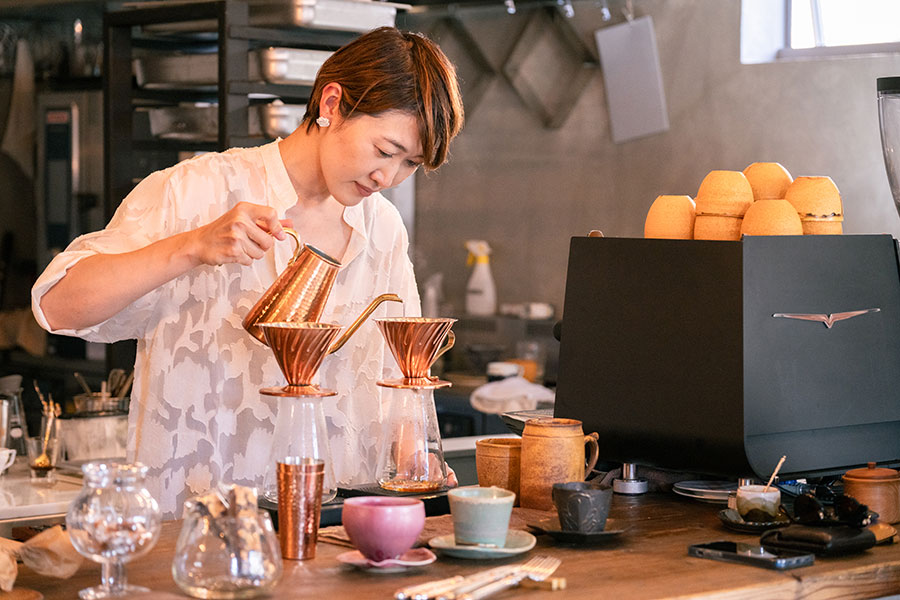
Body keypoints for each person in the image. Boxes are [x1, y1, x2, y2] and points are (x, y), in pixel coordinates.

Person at [31, 27, 464, 517]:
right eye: (385, 151)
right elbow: (57, 305)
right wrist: (192, 246)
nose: (387, 178)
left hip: (336, 530)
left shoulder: (382, 227)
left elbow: (396, 374)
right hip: (200, 535)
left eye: (410, 163)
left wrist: (415, 457)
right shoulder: (196, 190)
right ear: (332, 102)